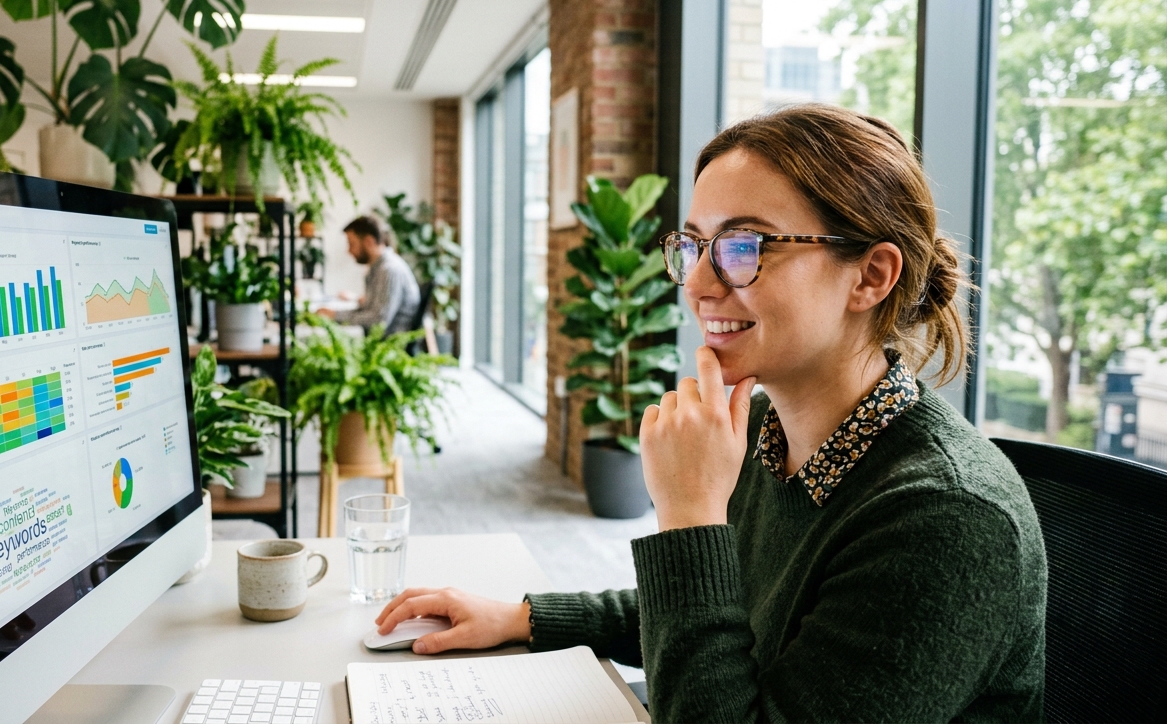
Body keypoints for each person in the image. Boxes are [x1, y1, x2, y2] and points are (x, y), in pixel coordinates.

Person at [372, 104, 1048, 722]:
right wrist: (521, 617)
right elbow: (718, 606)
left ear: (870, 276)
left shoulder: (945, 518)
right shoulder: (765, 430)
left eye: (745, 247)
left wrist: (689, 513)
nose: (696, 285)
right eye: (695, 245)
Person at [316, 215, 420, 336]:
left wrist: (335, 316)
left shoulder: (389, 270)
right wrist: (334, 314)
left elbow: (378, 321)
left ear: (369, 242)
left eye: (351, 244)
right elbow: (369, 310)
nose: (348, 251)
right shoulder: (378, 268)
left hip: (387, 346)